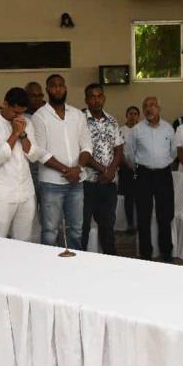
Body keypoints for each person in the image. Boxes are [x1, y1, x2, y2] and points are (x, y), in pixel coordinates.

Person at [32, 74, 93, 249]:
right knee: (50, 231)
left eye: (61, 85)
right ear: (47, 90)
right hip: (51, 183)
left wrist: (78, 168)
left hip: (77, 182)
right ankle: (49, 270)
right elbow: (40, 152)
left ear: (65, 88)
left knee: (76, 230)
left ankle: (74, 269)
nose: (58, 89)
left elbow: (87, 146)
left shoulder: (77, 115)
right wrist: (68, 170)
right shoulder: (40, 116)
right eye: (53, 86)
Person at [0, 87, 47, 241]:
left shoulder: (27, 123)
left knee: (24, 241)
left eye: (22, 112)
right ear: (5, 104)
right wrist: (14, 133)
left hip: (26, 191)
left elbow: (33, 155)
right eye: (15, 112)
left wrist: (23, 134)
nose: (19, 116)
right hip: (1, 194)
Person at [126, 96, 176, 261]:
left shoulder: (168, 128)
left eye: (153, 105)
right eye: (146, 106)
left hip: (163, 175)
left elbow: (173, 152)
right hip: (144, 175)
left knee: (165, 215)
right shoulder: (137, 130)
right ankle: (146, 253)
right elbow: (130, 154)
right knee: (143, 215)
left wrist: (162, 163)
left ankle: (166, 252)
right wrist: (141, 168)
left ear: (159, 108)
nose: (149, 109)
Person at [81, 83, 123, 254]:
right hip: (87, 183)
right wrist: (103, 170)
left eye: (99, 96)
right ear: (86, 99)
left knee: (107, 227)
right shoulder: (79, 120)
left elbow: (119, 149)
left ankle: (110, 264)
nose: (96, 100)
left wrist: (111, 171)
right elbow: (82, 152)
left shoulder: (112, 120)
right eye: (92, 96)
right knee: (82, 226)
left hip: (109, 184)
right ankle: (79, 264)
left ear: (104, 98)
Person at [119, 105, 141, 231]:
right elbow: (119, 150)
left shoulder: (142, 130)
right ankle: (130, 223)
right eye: (130, 113)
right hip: (126, 167)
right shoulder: (121, 130)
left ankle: (140, 223)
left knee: (140, 196)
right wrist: (127, 163)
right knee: (129, 197)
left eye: (135, 114)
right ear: (126, 115)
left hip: (140, 167)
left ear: (138, 116)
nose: (132, 116)